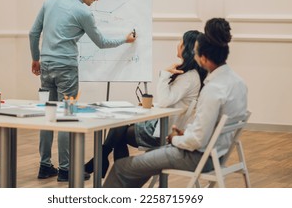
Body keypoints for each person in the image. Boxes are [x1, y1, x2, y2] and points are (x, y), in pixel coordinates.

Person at [103, 18, 248, 187]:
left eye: (196, 53)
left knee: (121, 168)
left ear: (204, 58)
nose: (193, 56)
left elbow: (197, 141)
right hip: (216, 154)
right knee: (137, 169)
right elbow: (204, 130)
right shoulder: (238, 83)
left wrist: (174, 139)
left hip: (197, 157)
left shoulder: (213, 90)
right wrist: (184, 134)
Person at [29, 0, 136, 182]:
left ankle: (44, 166)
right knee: (65, 116)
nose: (97, 0)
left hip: (47, 66)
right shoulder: (83, 12)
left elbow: (33, 33)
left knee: (48, 114)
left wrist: (36, 58)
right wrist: (125, 39)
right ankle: (66, 170)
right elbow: (102, 42)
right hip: (66, 69)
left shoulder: (50, 1)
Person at [85, 30, 207, 177]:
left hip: (162, 132)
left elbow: (164, 100)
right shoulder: (190, 74)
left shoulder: (187, 77)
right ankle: (110, 167)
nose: (178, 44)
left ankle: (103, 161)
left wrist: (164, 74)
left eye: (181, 41)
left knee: (120, 130)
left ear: (187, 47)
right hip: (163, 126)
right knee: (121, 128)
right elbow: (171, 102)